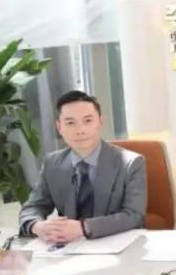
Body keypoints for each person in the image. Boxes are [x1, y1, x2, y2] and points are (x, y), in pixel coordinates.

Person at [19, 90, 146, 241]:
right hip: (68, 246)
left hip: (117, 242)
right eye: (70, 123)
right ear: (59, 127)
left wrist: (83, 227)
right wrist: (37, 226)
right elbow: (33, 207)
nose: (80, 130)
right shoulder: (51, 163)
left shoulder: (131, 163)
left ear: (100, 122)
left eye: (88, 121)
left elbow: (134, 216)